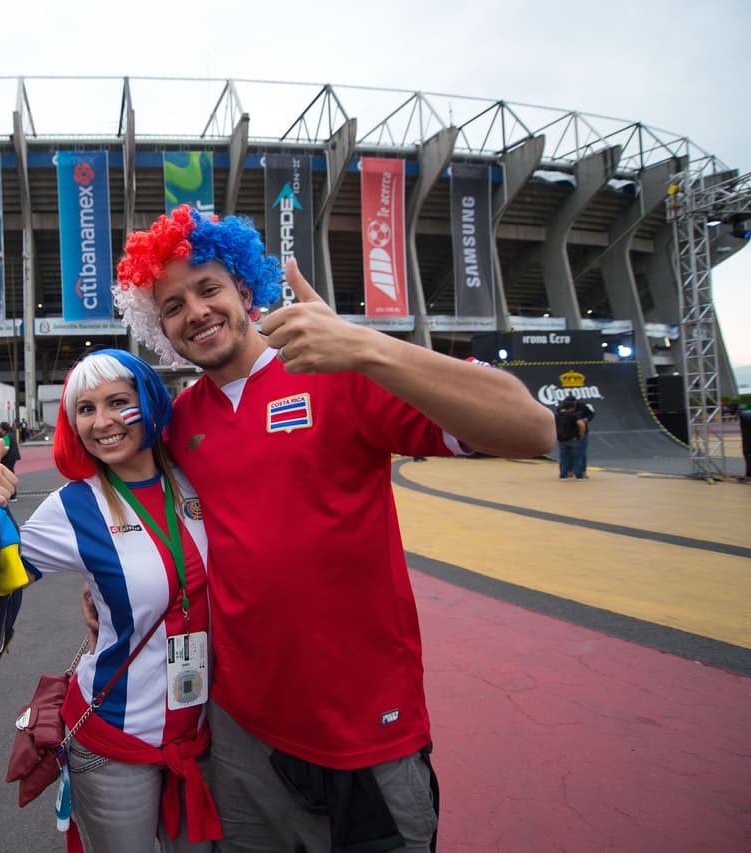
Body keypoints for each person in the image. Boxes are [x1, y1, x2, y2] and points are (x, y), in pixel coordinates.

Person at [100, 205, 555, 852]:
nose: (194, 311)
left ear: (245, 290)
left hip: (367, 731)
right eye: (171, 305)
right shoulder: (178, 424)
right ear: (159, 326)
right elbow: (143, 521)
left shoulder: (340, 371)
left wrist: (368, 347)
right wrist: (107, 594)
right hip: (241, 736)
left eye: (208, 288)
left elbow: (532, 429)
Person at [0, 350, 220, 852]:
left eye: (118, 402)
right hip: (115, 741)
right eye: (84, 409)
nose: (101, 422)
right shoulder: (73, 505)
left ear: (149, 402)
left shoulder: (198, 478)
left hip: (208, 734)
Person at [554, 396, 587, 480]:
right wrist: (581, 434)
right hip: (573, 439)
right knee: (577, 457)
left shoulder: (556, 415)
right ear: (570, 408)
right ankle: (579, 476)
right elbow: (581, 424)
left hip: (561, 439)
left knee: (563, 457)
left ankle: (563, 475)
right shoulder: (573, 416)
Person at [572, 396, 596, 479]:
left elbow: (591, 414)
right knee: (570, 452)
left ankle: (583, 471)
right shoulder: (565, 407)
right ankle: (570, 470)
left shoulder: (582, 406)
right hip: (570, 432)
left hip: (582, 432)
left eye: (574, 404)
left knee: (581, 452)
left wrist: (587, 419)